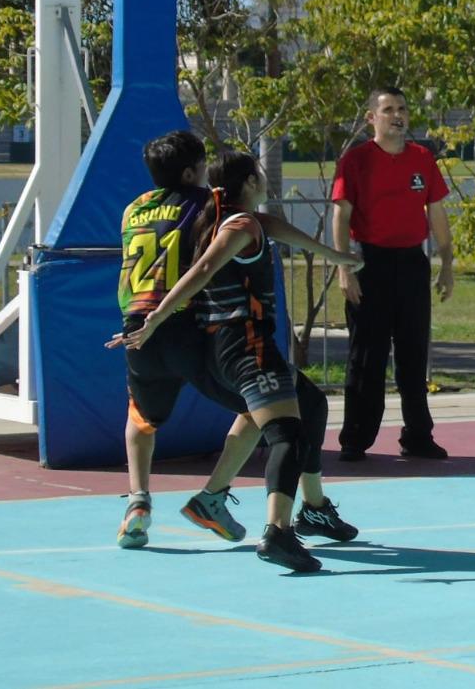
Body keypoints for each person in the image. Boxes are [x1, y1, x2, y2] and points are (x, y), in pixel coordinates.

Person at [114, 152, 363, 573]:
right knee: (287, 434)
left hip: (225, 345)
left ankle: (299, 507)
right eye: (261, 175)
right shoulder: (236, 225)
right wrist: (156, 317)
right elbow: (204, 268)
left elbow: (272, 226)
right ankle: (278, 532)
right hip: (244, 343)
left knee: (310, 404)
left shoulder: (221, 219)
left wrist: (336, 256)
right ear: (249, 182)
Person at [331, 87, 454, 462]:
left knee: (414, 354)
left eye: (402, 109)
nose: (397, 115)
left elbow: (437, 213)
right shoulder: (356, 160)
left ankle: (418, 435)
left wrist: (447, 264)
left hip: (412, 264)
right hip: (370, 264)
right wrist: (344, 268)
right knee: (367, 356)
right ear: (372, 118)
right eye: (388, 110)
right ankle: (355, 438)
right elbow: (341, 215)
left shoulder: (422, 158)